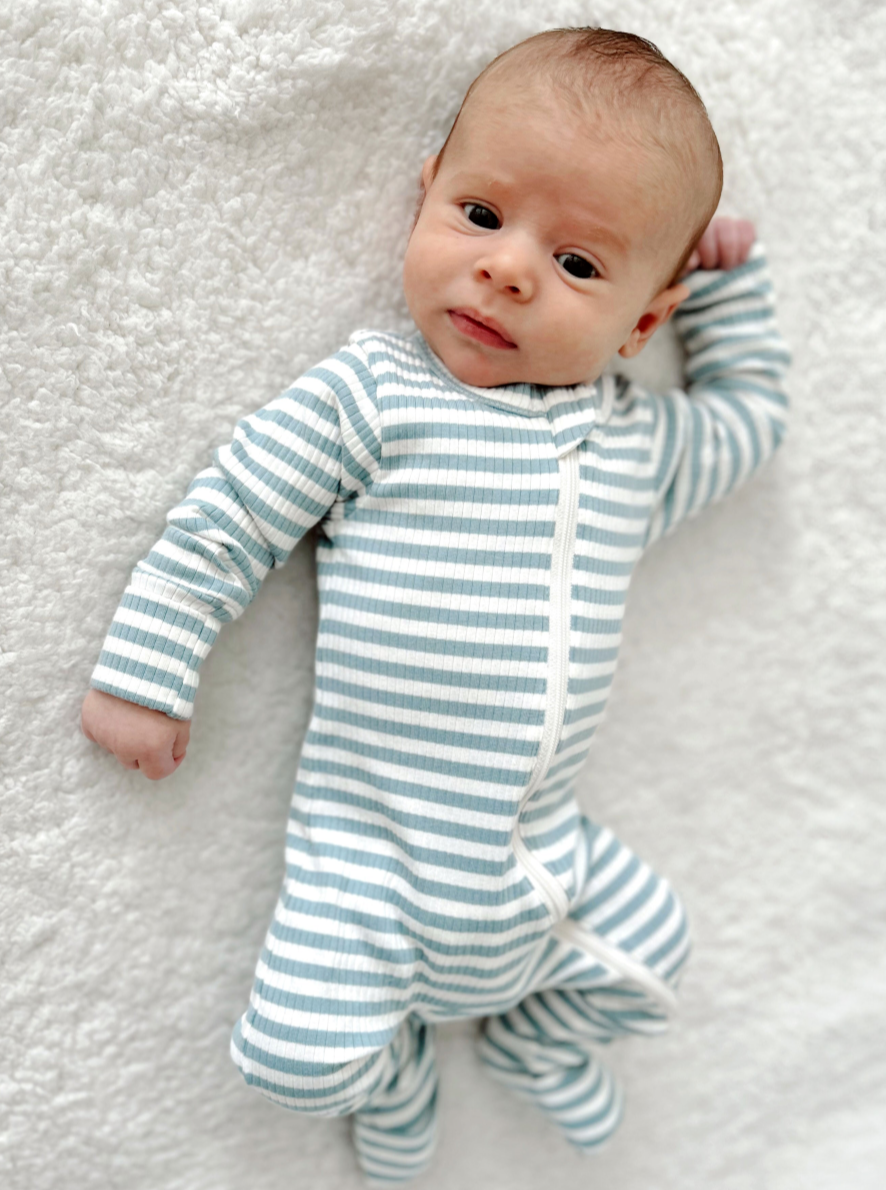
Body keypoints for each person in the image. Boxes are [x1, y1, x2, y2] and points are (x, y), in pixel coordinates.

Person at [80, 26, 789, 1186]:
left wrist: (731, 276)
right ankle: (397, 1063)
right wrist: (144, 675)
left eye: (577, 266)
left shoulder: (634, 447)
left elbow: (753, 418)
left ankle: (531, 1032)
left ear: (642, 325)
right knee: (294, 1056)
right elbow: (230, 519)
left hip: (546, 860)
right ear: (426, 196)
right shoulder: (374, 397)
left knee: (661, 951)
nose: (508, 269)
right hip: (367, 863)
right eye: (479, 216)